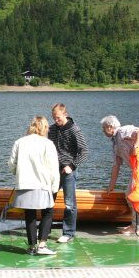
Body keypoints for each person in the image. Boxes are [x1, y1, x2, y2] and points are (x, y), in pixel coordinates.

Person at [8, 116, 60, 255]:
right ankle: (42, 245)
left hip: (24, 184)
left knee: (29, 214)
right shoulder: (48, 144)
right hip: (42, 184)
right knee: (48, 213)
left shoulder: (20, 142)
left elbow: (12, 164)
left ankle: (31, 246)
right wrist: (54, 187)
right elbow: (54, 168)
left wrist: (17, 173)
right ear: (44, 128)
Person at [100, 115, 139, 236]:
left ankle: (137, 227)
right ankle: (134, 223)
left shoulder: (123, 131)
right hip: (138, 168)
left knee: (138, 194)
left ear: (110, 127)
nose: (103, 131)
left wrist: (136, 146)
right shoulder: (115, 144)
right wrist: (111, 186)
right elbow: (116, 166)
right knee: (128, 195)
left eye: (103, 128)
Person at [48, 103, 89, 243]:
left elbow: (84, 151)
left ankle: (68, 233)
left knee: (69, 204)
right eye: (54, 118)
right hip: (53, 170)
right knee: (48, 200)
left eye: (58, 117)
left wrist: (71, 166)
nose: (56, 121)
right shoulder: (52, 129)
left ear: (65, 114)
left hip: (68, 171)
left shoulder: (74, 129)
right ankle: (45, 229)